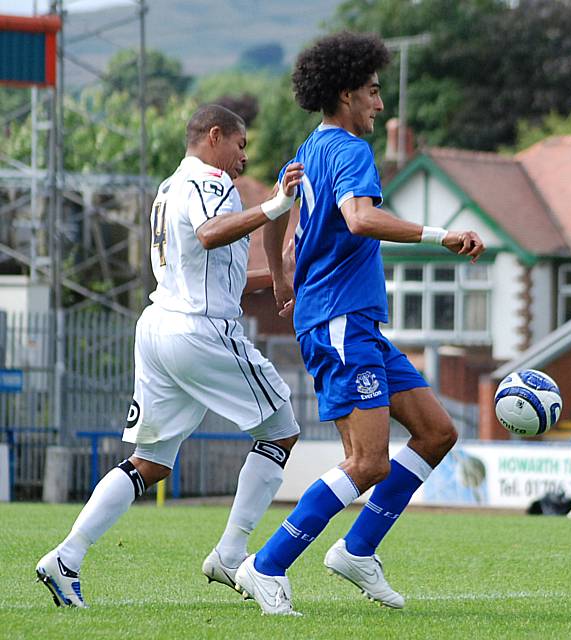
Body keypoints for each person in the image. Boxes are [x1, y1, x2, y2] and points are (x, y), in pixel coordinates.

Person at [234, 31, 485, 615]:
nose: (379, 104)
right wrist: (439, 235)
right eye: (372, 92)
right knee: (367, 461)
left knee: (437, 432)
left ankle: (358, 549)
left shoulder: (309, 148)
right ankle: (266, 566)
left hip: (350, 321)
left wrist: (281, 279)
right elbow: (360, 219)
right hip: (342, 320)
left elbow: (277, 214)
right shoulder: (349, 150)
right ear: (345, 94)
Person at [35, 104, 305, 608]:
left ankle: (66, 557)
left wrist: (278, 276)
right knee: (281, 432)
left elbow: (206, 271)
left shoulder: (167, 189)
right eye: (240, 145)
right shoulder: (211, 183)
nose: (244, 157)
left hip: (160, 327)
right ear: (215, 136)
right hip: (199, 331)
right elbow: (208, 236)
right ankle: (230, 553)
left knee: (149, 463)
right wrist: (274, 206)